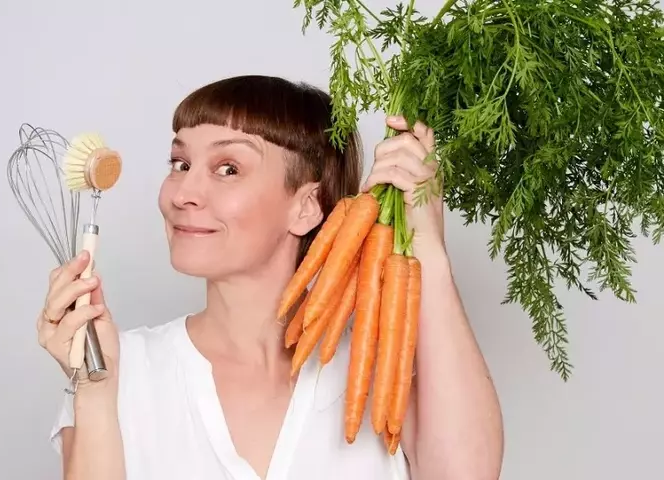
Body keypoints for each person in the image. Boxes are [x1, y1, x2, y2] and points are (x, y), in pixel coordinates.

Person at [37, 75, 504, 480]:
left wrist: (428, 246)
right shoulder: (119, 369)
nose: (183, 193)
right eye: (180, 164)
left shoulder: (385, 372)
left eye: (228, 168)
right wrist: (94, 391)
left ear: (305, 206)